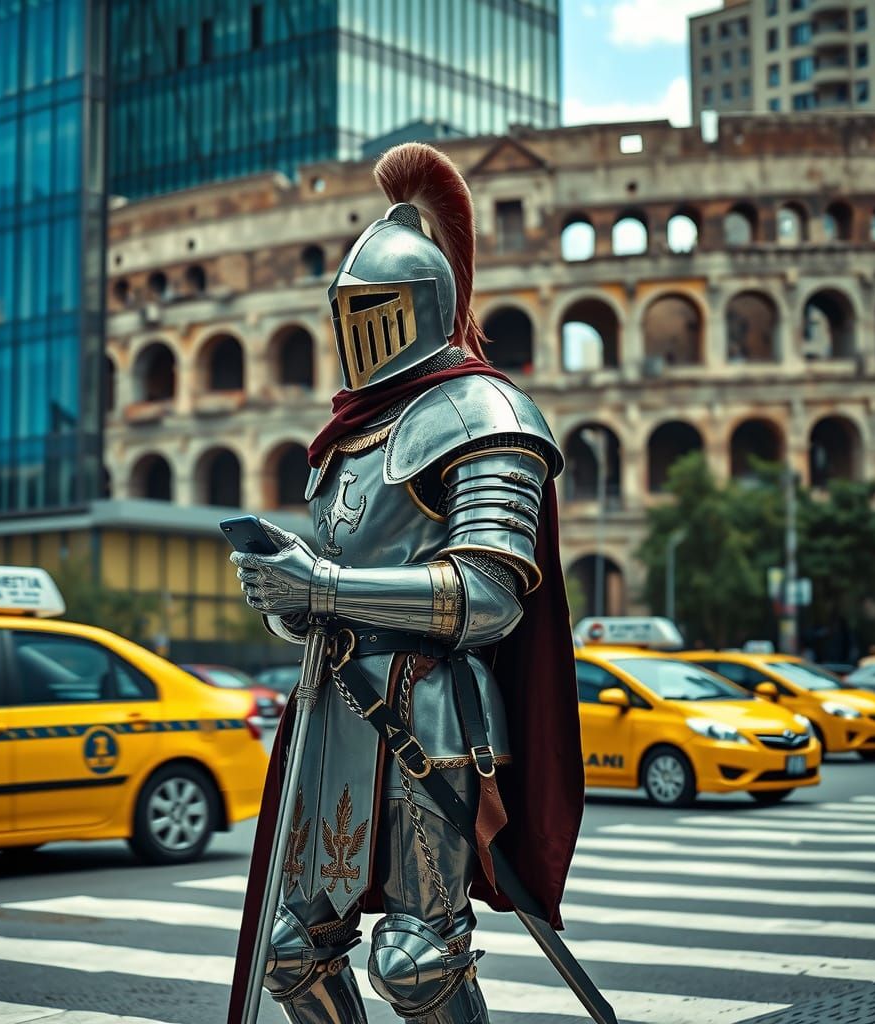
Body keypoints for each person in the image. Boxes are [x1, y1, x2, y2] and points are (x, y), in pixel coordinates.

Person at [227, 143, 583, 1024]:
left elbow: (491, 594)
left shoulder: (483, 412)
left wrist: (323, 585)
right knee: (289, 955)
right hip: (332, 711)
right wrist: (286, 595)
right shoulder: (347, 436)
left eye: (375, 306)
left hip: (431, 711)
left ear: (422, 307)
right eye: (347, 308)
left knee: (418, 962)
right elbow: (321, 595)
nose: (358, 323)